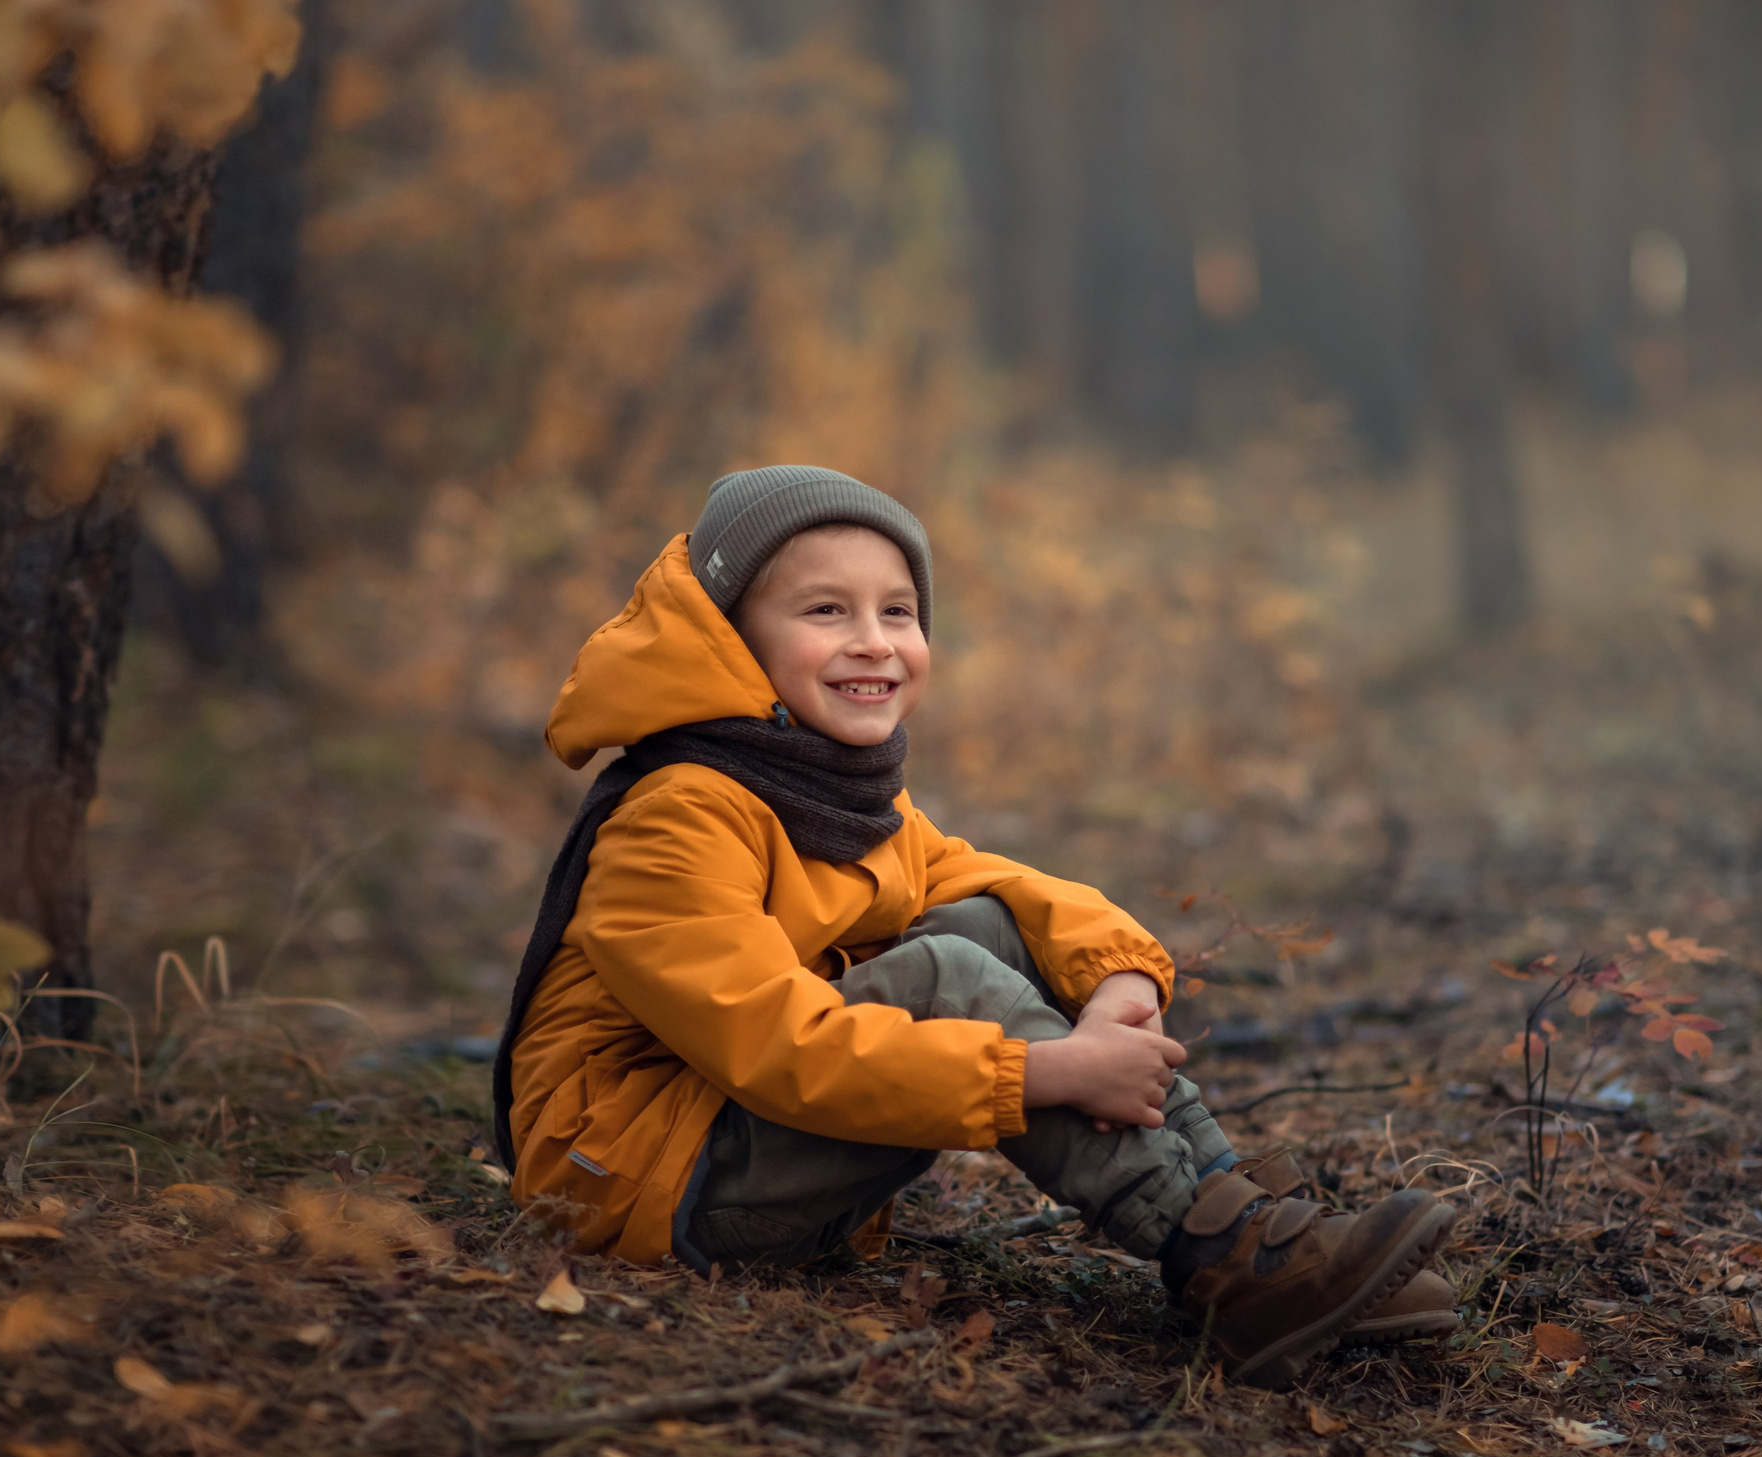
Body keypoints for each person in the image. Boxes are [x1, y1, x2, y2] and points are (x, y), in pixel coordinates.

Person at [493, 466, 1458, 1386]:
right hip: (634, 1178)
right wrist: (1047, 1071)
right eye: (826, 610)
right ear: (728, 636)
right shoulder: (679, 814)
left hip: (723, 1145)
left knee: (987, 923)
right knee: (946, 972)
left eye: (897, 611)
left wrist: (1120, 982)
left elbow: (1003, 888)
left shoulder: (826, 789)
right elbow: (776, 1045)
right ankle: (1210, 1245)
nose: (873, 640)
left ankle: (1246, 1227)